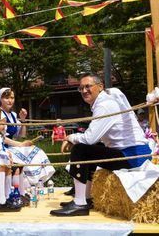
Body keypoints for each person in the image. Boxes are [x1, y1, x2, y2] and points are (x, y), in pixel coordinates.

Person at [50, 74, 151, 217]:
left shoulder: (105, 105)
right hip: (133, 154)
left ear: (101, 86)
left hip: (132, 156)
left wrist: (70, 137)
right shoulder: (110, 99)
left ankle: (80, 203)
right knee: (90, 150)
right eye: (81, 88)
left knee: (81, 149)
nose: (84, 91)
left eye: (88, 86)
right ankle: (86, 198)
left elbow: (89, 138)